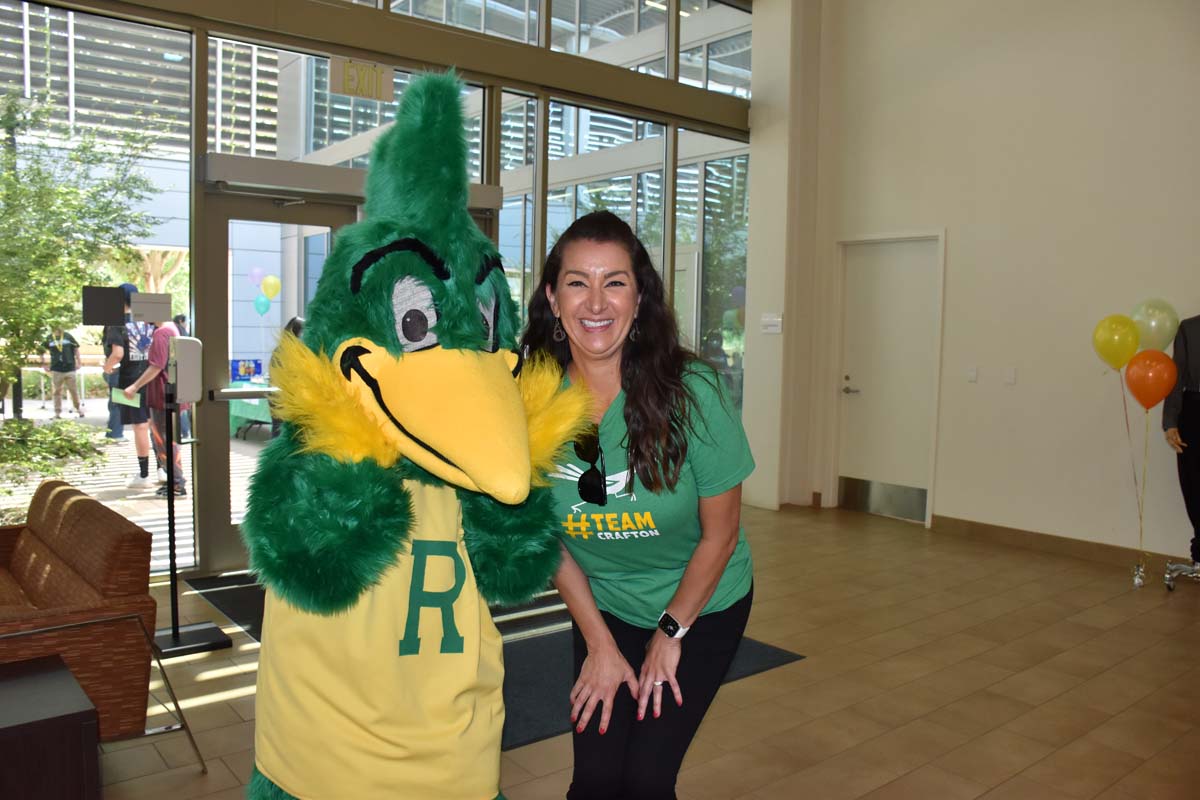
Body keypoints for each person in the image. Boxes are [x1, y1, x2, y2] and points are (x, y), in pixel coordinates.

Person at [520, 211, 755, 800]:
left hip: (700, 605)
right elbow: (542, 535)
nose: (596, 301)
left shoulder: (692, 391)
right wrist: (599, 643)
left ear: (639, 294)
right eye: (577, 281)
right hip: (606, 607)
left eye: (615, 281)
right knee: (597, 780)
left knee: (646, 780)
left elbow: (720, 536)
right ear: (552, 296)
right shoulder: (529, 397)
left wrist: (670, 633)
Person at [123, 319, 185, 497]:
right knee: (168, 440)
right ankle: (175, 481)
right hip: (171, 394)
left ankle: (177, 483)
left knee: (164, 441)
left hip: (162, 395)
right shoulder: (173, 329)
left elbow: (156, 365)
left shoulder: (161, 333)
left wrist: (134, 386)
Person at [103, 283, 156, 490]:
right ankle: (163, 468)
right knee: (154, 425)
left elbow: (118, 354)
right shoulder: (150, 320)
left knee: (139, 427)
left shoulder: (115, 322)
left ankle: (143, 475)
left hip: (129, 381)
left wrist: (107, 367)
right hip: (152, 377)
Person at [1164, 313, 1200, 568]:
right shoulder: (1189, 328)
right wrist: (1170, 422)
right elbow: (1176, 377)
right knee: (1194, 485)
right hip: (1194, 413)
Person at [270, 316, 304, 438]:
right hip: (285, 400)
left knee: (278, 432)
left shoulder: (279, 350)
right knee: (283, 434)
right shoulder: (289, 352)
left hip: (277, 399)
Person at [42, 327, 84, 419]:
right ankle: (57, 412)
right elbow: (42, 350)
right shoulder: (49, 338)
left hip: (69, 368)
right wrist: (44, 363)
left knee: (73, 390)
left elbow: (76, 349)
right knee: (57, 391)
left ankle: (78, 409)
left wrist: (79, 362)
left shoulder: (68, 336)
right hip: (56, 368)